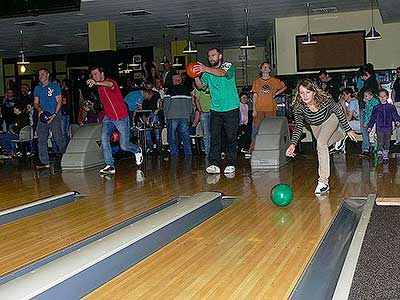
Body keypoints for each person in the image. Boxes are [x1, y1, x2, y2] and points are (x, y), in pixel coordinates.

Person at [286, 79, 357, 195]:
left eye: (308, 92)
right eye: (302, 93)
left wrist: (348, 129)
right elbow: (298, 127)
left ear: (314, 92)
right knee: (323, 144)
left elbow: (338, 111)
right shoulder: (298, 107)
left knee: (321, 144)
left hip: (331, 119)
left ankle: (323, 182)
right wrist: (292, 144)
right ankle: (340, 136)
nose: (305, 95)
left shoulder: (325, 99)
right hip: (314, 125)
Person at [87, 66, 143, 175]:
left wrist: (96, 83)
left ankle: (137, 150)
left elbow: (110, 85)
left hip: (121, 117)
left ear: (102, 73)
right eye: (92, 75)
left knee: (124, 145)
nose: (93, 77)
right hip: (109, 118)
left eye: (95, 74)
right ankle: (110, 165)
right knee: (104, 138)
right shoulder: (98, 87)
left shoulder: (110, 82)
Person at [193, 47, 240, 175]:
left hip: (231, 108)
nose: (211, 58)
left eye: (213, 55)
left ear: (220, 56)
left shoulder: (227, 65)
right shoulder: (207, 73)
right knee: (215, 137)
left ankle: (231, 163)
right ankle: (214, 163)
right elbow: (201, 87)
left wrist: (204, 69)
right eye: (209, 56)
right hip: (215, 109)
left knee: (231, 137)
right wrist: (196, 76)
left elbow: (222, 73)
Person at [250, 62, 286, 151]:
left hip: (271, 109)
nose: (265, 69)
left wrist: (276, 94)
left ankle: (271, 147)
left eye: (267, 67)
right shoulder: (256, 82)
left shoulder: (274, 81)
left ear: (270, 70)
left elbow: (284, 87)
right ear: (261, 69)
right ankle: (253, 148)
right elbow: (255, 95)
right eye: (264, 67)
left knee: (270, 129)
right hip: (259, 109)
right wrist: (254, 109)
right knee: (256, 129)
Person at [34, 68, 65, 168]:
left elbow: (59, 102)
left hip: (55, 116)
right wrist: (39, 110)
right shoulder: (37, 88)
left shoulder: (54, 86)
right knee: (41, 139)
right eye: (39, 74)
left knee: (58, 138)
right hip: (43, 117)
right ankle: (44, 161)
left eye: (43, 73)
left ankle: (67, 157)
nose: (41, 75)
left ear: (47, 75)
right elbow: (35, 103)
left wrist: (55, 114)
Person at [368, 89, 400, 162]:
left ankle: (385, 154)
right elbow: (373, 118)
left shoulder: (391, 107)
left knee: (387, 141)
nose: (382, 98)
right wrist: (370, 126)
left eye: (384, 96)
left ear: (387, 97)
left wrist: (398, 120)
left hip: (388, 128)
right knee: (380, 141)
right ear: (378, 97)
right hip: (379, 128)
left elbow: (395, 115)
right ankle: (380, 153)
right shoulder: (376, 108)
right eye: (380, 96)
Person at [357, 65, 379, 157]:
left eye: (362, 76)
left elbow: (371, 97)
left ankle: (366, 148)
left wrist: (363, 99)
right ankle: (369, 147)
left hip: (367, 109)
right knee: (367, 129)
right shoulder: (371, 82)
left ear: (365, 74)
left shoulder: (370, 82)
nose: (361, 78)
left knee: (365, 129)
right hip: (366, 108)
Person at [193, 86, 212, 155]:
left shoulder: (211, 85)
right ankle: (208, 152)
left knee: (214, 133)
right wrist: (201, 111)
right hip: (204, 113)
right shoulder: (198, 87)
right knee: (206, 134)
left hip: (213, 111)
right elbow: (196, 100)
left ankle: (214, 151)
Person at [390, 66, 400, 144]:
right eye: (397, 72)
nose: (398, 74)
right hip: (397, 102)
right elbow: (393, 91)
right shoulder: (396, 81)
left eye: (399, 72)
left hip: (397, 102)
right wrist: (393, 101)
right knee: (398, 122)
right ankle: (398, 139)